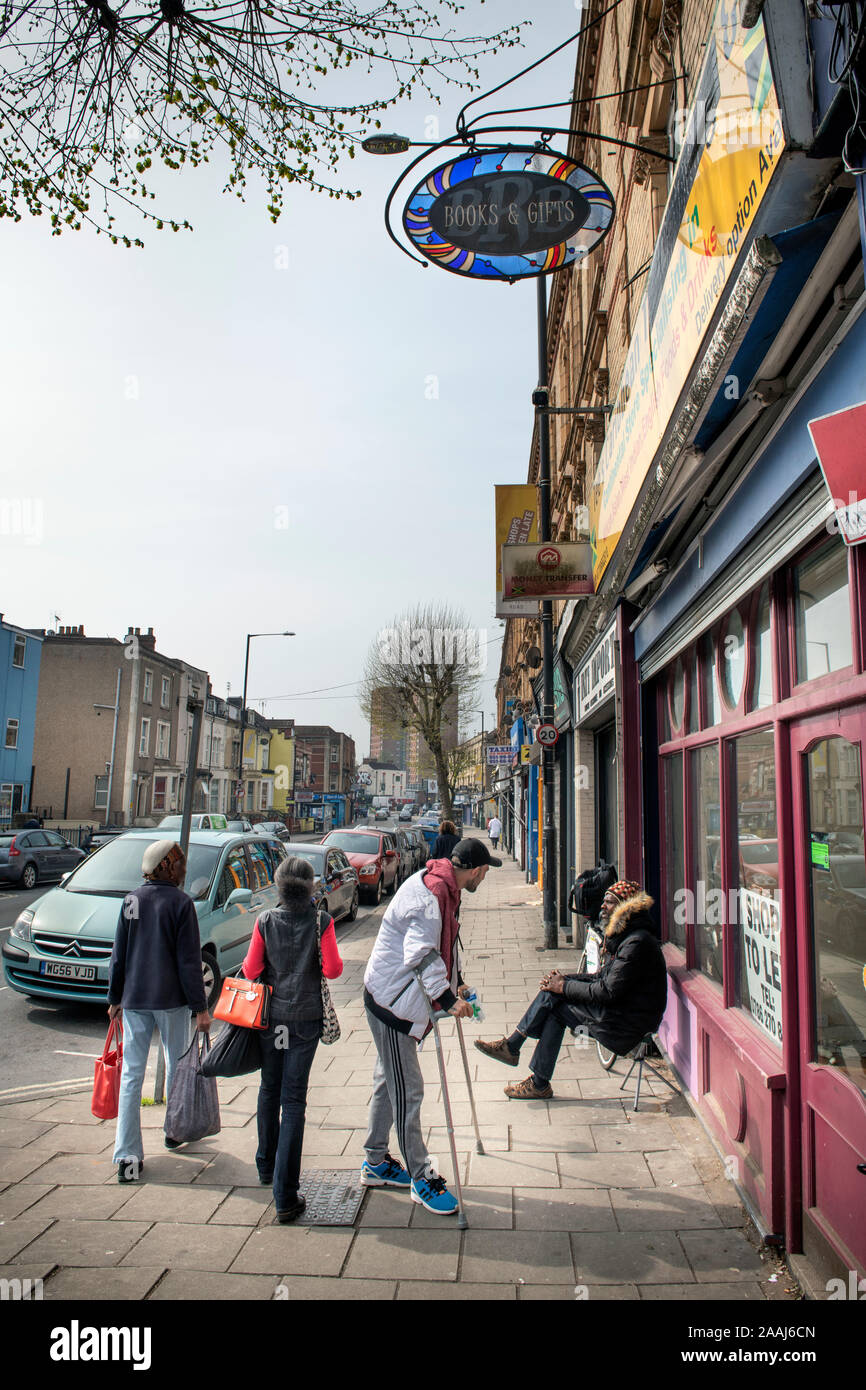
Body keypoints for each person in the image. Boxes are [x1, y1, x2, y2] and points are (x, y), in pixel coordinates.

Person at [362, 838, 500, 1214]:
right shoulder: (432, 894)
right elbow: (421, 954)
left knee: (387, 1080)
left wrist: (458, 983)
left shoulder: (443, 885)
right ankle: (422, 1177)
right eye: (484, 871)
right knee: (409, 1089)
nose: (485, 877)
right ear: (471, 870)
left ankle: (375, 1162)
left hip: (392, 996)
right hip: (393, 1003)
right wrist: (447, 1000)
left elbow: (445, 945)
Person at [475, 881, 667, 1099]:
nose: (603, 907)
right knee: (554, 996)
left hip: (629, 1024)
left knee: (555, 1004)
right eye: (603, 901)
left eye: (609, 902)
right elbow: (601, 980)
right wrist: (563, 981)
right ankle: (524, 1063)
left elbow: (606, 991)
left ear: (625, 909)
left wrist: (563, 986)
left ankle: (521, 1058)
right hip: (623, 1011)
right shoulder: (629, 939)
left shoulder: (636, 943)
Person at [241, 855, 343, 1223]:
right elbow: (332, 969)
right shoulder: (321, 921)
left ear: (279, 883)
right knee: (294, 1099)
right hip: (306, 1021)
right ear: (311, 884)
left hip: (271, 1019)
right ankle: (285, 1195)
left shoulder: (265, 921)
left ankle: (265, 1166)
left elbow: (251, 969)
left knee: (269, 1089)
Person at [107, 840, 211, 1182]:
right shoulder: (181, 904)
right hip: (171, 1001)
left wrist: (115, 998)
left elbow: (119, 954)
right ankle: (174, 1131)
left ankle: (127, 1156)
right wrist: (201, 1008)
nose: (184, 870)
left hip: (136, 1000)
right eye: (180, 864)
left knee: (131, 1076)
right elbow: (188, 963)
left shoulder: (132, 901)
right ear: (166, 866)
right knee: (180, 1067)